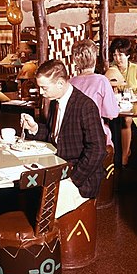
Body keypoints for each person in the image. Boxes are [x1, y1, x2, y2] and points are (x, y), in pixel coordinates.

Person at [20, 60, 107, 217]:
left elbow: (98, 150)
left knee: (46, 206)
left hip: (81, 177)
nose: (41, 92)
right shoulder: (57, 102)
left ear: (60, 83)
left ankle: (48, 239)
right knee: (26, 189)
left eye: (44, 88)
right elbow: (55, 135)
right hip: (61, 168)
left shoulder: (85, 106)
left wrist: (74, 179)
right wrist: (34, 128)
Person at [106, 38, 137, 166]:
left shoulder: (136, 69)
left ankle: (125, 154)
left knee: (127, 120)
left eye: (120, 55)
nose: (117, 58)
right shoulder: (112, 70)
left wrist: (132, 96)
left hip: (135, 107)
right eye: (115, 55)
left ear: (128, 55)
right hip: (118, 107)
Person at [69, 39, 119, 149]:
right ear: (95, 58)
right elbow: (111, 113)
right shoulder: (102, 81)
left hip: (72, 136)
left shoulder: (70, 82)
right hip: (93, 136)